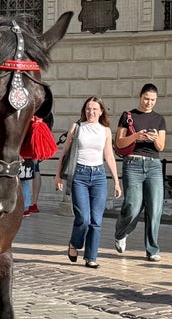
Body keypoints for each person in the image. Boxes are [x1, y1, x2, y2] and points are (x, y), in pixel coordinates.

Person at [54, 96, 122, 267]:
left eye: (94, 109)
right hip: (79, 175)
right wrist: (58, 175)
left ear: (101, 111)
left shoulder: (105, 131)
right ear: (84, 111)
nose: (91, 112)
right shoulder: (77, 127)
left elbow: (109, 156)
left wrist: (116, 181)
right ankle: (74, 243)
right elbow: (64, 153)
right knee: (83, 218)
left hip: (98, 176)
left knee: (96, 220)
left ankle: (91, 257)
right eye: (88, 109)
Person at [113, 83, 168, 261]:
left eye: (153, 100)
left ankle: (152, 249)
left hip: (154, 165)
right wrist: (137, 136)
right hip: (133, 164)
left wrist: (154, 138)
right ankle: (121, 233)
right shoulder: (128, 116)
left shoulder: (159, 119)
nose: (149, 102)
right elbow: (119, 142)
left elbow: (161, 146)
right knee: (133, 204)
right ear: (140, 96)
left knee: (155, 208)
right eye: (146, 99)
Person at [20, 82, 55, 214]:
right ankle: (32, 203)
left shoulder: (29, 108)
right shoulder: (44, 110)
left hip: (28, 146)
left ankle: (28, 204)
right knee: (33, 172)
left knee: (25, 175)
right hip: (34, 145)